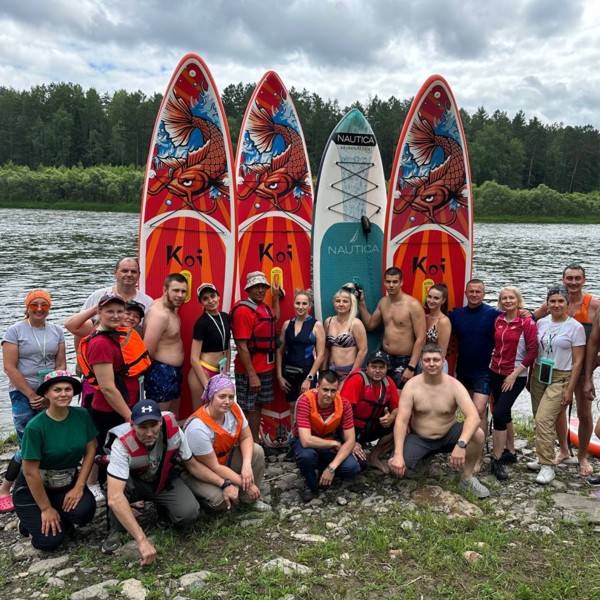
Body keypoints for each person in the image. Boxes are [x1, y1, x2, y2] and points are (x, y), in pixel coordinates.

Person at [103, 399, 209, 564]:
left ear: (160, 422)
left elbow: (193, 465)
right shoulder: (121, 444)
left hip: (162, 480)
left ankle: (163, 513)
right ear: (132, 425)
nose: (150, 433)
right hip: (134, 483)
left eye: (153, 425)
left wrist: (224, 483)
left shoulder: (173, 430)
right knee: (117, 492)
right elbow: (115, 496)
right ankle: (115, 529)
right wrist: (142, 540)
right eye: (143, 427)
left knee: (189, 512)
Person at [388, 343, 490, 498]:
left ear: (443, 361)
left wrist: (461, 444)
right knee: (396, 470)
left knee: (478, 434)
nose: (431, 364)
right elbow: (401, 422)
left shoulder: (454, 385)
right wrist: (398, 455)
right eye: (427, 360)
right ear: (421, 362)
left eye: (435, 360)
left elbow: (473, 416)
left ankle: (467, 477)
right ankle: (423, 458)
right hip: (420, 438)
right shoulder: (412, 386)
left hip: (448, 434)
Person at [12, 371, 97, 551]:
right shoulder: (35, 427)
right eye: (57, 390)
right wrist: (45, 509)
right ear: (46, 394)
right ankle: (27, 521)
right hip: (33, 488)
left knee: (85, 512)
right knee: (49, 542)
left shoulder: (81, 415)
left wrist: (79, 486)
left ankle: (59, 515)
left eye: (68, 389)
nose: (63, 394)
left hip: (65, 483)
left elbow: (91, 450)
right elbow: (29, 472)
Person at [78, 293, 150, 502]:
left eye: (120, 311)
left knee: (115, 449)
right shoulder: (100, 343)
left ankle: (116, 488)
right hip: (108, 409)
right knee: (101, 448)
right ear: (99, 313)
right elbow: (108, 388)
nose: (116, 315)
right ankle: (95, 487)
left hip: (122, 404)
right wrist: (130, 417)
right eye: (110, 311)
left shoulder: (115, 334)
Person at [0, 289, 66, 513]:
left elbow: (60, 364)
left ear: (49, 307)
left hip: (49, 391)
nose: (39, 309)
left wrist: (53, 392)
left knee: (49, 439)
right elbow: (9, 367)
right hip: (22, 392)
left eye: (44, 305)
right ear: (27, 307)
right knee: (26, 444)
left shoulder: (56, 331)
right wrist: (30, 394)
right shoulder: (15, 331)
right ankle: (5, 489)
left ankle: (40, 485)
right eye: (34, 305)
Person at [535, 264, 600, 477]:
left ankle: (582, 456)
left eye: (577, 278)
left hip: (584, 369)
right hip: (557, 368)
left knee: (584, 412)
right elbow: (531, 318)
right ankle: (563, 449)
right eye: (569, 278)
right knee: (559, 410)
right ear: (563, 280)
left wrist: (594, 364)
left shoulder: (594, 306)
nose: (573, 282)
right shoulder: (555, 303)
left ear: (584, 280)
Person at [182, 374, 269, 511]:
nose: (227, 401)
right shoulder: (198, 428)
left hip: (223, 459)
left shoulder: (234, 409)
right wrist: (247, 483)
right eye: (222, 396)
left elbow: (246, 437)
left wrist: (246, 465)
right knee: (220, 501)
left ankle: (248, 500)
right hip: (201, 471)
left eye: (231, 397)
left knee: (256, 451)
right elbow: (214, 467)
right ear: (211, 397)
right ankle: (198, 498)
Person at [529, 284, 586, 484]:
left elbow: (578, 361)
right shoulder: (541, 323)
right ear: (547, 303)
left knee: (544, 418)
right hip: (538, 373)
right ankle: (543, 455)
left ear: (567, 304)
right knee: (538, 416)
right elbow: (534, 351)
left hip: (561, 375)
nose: (556, 305)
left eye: (560, 301)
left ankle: (547, 465)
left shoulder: (575, 327)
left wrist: (570, 389)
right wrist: (529, 377)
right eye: (552, 301)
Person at [488, 287, 537, 481]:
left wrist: (514, 375)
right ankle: (510, 451)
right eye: (504, 298)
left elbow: (532, 352)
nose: (508, 301)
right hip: (495, 371)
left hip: (515, 375)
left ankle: (496, 458)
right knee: (503, 412)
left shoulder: (527, 323)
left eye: (511, 298)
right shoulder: (498, 320)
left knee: (499, 414)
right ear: (500, 302)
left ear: (518, 300)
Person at [292, 370, 362, 502]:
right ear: (317, 387)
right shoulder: (305, 401)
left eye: (333, 390)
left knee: (353, 467)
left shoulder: (344, 403)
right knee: (306, 456)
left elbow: (351, 439)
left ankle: (325, 470)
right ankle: (311, 483)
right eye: (325, 390)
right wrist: (334, 444)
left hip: (329, 442)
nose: (329, 394)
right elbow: (306, 440)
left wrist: (332, 467)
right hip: (308, 444)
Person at [230, 271, 281, 443]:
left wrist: (275, 298)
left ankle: (255, 443)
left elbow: (274, 321)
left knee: (258, 406)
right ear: (248, 289)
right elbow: (241, 345)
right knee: (248, 408)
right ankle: (246, 444)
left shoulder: (264, 307)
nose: (260, 290)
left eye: (263, 287)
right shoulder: (244, 311)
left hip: (265, 367)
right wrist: (252, 375)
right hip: (250, 371)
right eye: (256, 287)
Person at [449, 279, 502, 438]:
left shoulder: (493, 314)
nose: (474, 294)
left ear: (484, 294)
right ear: (466, 293)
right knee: (468, 411)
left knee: (478, 410)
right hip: (463, 370)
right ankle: (468, 443)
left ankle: (477, 453)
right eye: (471, 291)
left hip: (484, 371)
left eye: (478, 292)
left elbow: (515, 319)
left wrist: (530, 314)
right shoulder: (457, 315)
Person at [358, 267, 426, 389]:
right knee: (383, 395)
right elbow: (370, 325)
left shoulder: (413, 305)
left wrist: (411, 367)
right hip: (384, 358)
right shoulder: (383, 302)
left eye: (395, 282)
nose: (391, 285)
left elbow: (421, 338)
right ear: (384, 283)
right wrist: (362, 303)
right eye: (388, 282)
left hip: (404, 360)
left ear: (401, 282)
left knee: (401, 397)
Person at [340, 350, 399, 473]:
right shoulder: (357, 380)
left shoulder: (388, 382)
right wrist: (352, 442)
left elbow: (397, 408)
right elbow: (342, 414)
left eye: (381, 367)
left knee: (401, 424)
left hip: (370, 427)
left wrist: (391, 417)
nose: (377, 371)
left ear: (387, 368)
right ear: (367, 367)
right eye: (373, 367)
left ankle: (374, 456)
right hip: (349, 429)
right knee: (359, 466)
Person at [143, 273, 188, 414]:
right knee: (160, 419)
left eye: (184, 291)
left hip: (172, 372)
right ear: (164, 290)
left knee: (171, 419)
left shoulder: (171, 307)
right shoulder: (159, 314)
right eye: (176, 290)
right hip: (161, 373)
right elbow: (146, 352)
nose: (180, 295)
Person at [276, 289, 325, 412]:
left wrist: (309, 378)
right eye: (298, 303)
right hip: (288, 372)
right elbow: (279, 351)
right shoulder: (287, 324)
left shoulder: (316, 325)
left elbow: (321, 355)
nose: (301, 307)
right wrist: (279, 376)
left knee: (307, 406)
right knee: (292, 406)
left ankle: (307, 432)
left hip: (307, 372)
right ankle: (294, 431)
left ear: (310, 305)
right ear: (293, 304)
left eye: (304, 304)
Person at [188, 283, 231, 410]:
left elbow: (227, 346)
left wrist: (226, 373)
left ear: (218, 297)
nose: (210, 300)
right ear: (201, 303)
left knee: (217, 412)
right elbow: (193, 358)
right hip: (203, 372)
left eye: (212, 296)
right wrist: (207, 385)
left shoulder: (225, 317)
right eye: (205, 299)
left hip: (220, 372)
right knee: (200, 413)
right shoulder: (201, 323)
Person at [324, 287, 367, 380]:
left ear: (351, 304)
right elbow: (326, 348)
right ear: (333, 302)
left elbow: (363, 350)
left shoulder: (355, 323)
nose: (341, 304)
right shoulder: (328, 322)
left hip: (348, 371)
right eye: (338, 301)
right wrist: (324, 371)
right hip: (331, 371)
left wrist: (352, 375)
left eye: (345, 301)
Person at [424, 284, 452, 371]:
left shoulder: (443, 321)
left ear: (443, 300)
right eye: (429, 297)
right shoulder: (424, 317)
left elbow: (442, 352)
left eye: (436, 298)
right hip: (423, 362)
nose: (431, 300)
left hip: (437, 364)